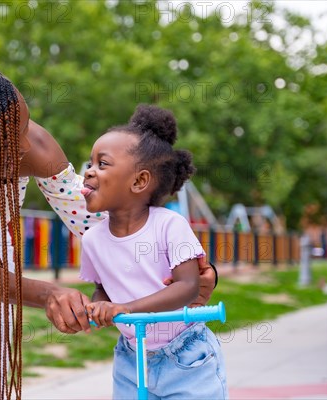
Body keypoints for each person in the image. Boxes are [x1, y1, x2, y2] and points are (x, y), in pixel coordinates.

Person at [0, 60, 218, 399]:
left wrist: (184, 269)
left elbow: (102, 221)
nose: (25, 146)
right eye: (11, 138)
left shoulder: (34, 147)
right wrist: (49, 294)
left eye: (24, 127)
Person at [80, 104, 228, 399]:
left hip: (186, 355)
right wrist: (98, 307)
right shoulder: (92, 239)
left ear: (139, 181)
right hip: (130, 358)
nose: (89, 172)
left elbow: (188, 287)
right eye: (90, 164)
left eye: (102, 164)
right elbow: (102, 289)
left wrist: (126, 309)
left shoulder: (169, 225)